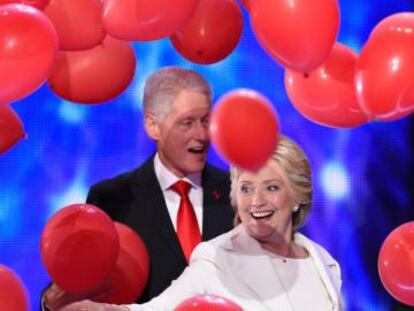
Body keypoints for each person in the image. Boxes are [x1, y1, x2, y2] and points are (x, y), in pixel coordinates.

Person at [59, 135, 344, 311]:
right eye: (246, 188)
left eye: (271, 188)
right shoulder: (216, 257)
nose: (256, 201)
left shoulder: (324, 262)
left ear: (297, 196)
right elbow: (161, 309)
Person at [42, 67, 234, 310]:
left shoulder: (238, 194)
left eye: (206, 121)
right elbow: (79, 288)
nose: (202, 134)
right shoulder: (111, 199)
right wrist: (50, 302)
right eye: (187, 123)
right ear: (153, 126)